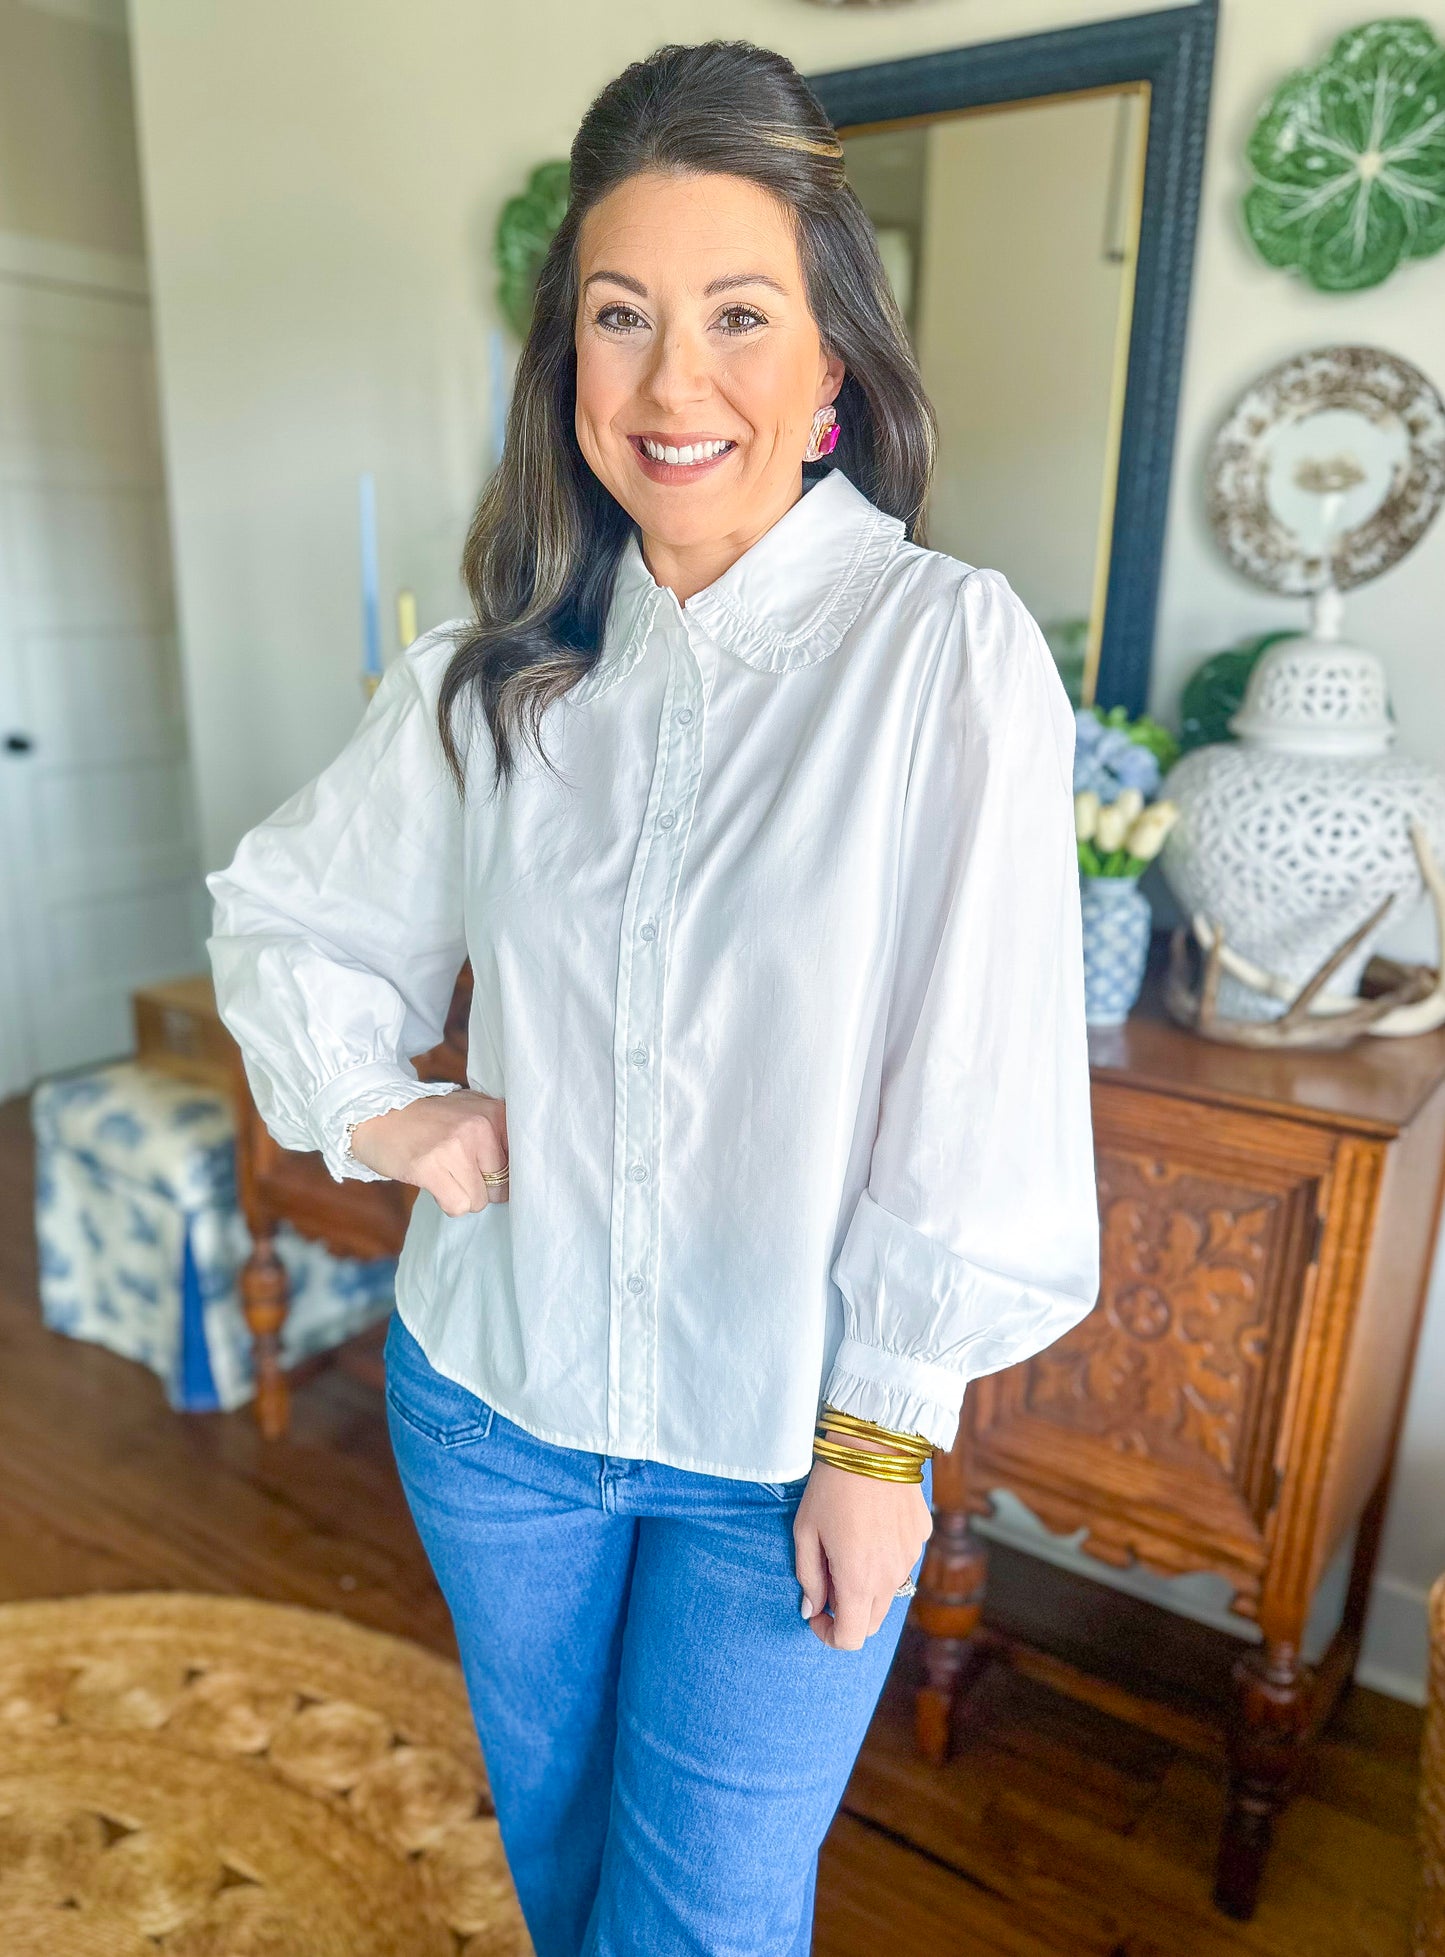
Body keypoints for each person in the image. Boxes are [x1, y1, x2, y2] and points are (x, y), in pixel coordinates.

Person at [207, 37, 1101, 1957]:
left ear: (831, 368)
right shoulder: (497, 673)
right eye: (618, 319)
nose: (671, 379)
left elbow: (977, 1096)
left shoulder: (942, 659)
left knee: (697, 1919)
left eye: (736, 316)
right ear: (567, 371)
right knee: (562, 1874)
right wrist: (385, 1109)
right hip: (492, 1410)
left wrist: (880, 1446)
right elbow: (285, 920)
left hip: (780, 1449)